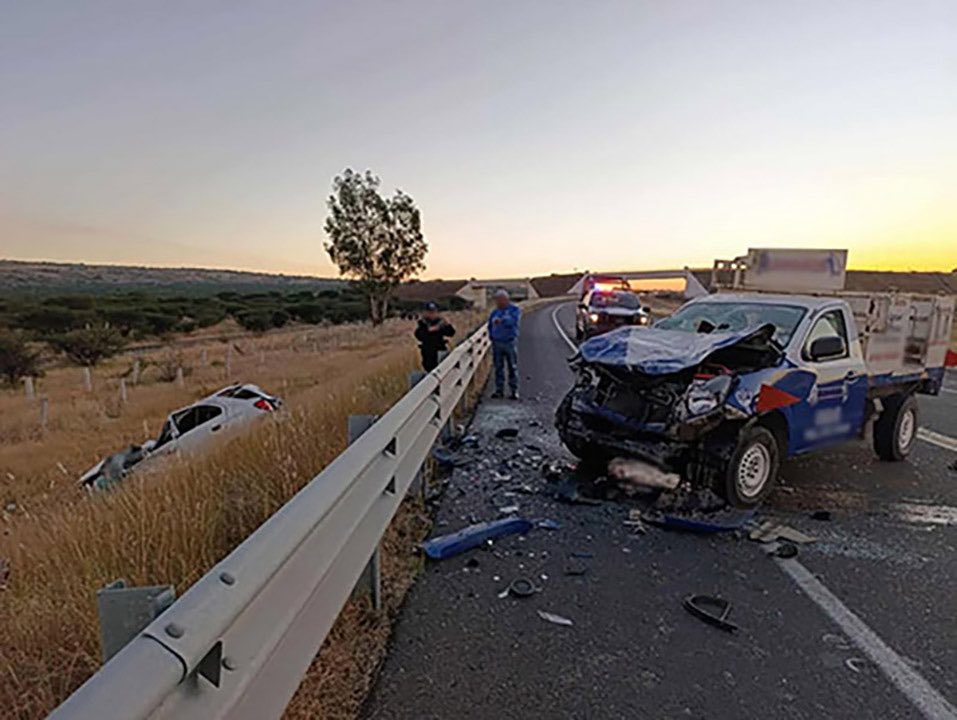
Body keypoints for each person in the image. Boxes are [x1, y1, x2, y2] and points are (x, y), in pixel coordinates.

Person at [487, 289, 521, 399]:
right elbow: (490, 325)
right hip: (497, 343)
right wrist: (491, 336)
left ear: (505, 299)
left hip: (509, 342)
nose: (498, 303)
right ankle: (499, 390)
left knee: (512, 367)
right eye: (497, 301)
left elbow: (513, 322)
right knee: (498, 368)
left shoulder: (514, 310)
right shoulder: (494, 312)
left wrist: (502, 320)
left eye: (500, 300)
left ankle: (514, 390)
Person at [414, 302, 455, 371]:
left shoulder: (441, 323)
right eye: (429, 312)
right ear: (425, 312)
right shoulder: (422, 324)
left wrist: (447, 325)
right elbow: (419, 335)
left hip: (440, 351)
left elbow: (451, 333)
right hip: (428, 354)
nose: (432, 314)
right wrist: (430, 330)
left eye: (434, 312)